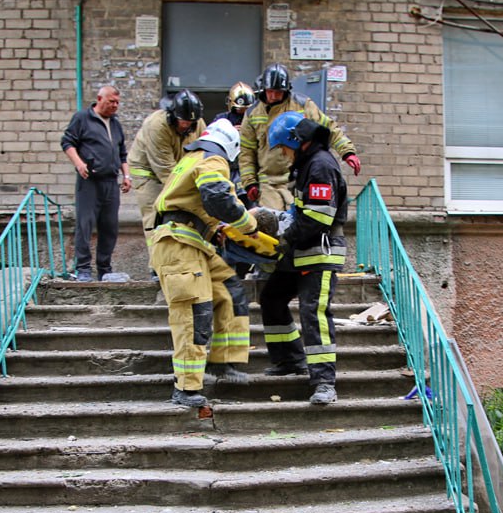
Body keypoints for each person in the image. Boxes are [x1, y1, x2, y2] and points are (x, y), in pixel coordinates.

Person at [149, 118, 259, 408]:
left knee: (230, 290)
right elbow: (217, 196)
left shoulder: (192, 157)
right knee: (193, 314)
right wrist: (248, 224)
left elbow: (193, 203)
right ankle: (185, 388)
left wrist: (217, 229)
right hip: (179, 244)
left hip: (190, 240)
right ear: (231, 147)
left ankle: (225, 362)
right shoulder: (214, 159)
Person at [259, 111, 348, 406]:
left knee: (313, 312)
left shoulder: (320, 166)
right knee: (271, 297)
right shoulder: (307, 164)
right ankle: (289, 360)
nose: (283, 155)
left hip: (319, 252)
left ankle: (324, 382)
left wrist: (284, 236)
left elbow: (319, 217)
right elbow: (302, 212)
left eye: (283, 148)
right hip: (302, 248)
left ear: (296, 141)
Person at [239, 63, 360, 211]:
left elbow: (328, 128)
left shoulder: (302, 105)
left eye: (278, 92)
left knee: (298, 223)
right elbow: (247, 151)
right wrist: (250, 182)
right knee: (274, 225)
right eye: (270, 91)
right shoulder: (253, 113)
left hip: (298, 177)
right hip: (269, 182)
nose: (274, 96)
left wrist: (347, 152)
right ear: (264, 88)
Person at [61, 85, 132, 282]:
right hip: (89, 180)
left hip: (111, 181)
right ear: (100, 99)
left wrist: (127, 176)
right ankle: (83, 268)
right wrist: (79, 164)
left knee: (110, 227)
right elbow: (67, 142)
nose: (115, 106)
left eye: (118, 102)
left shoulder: (116, 124)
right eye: (112, 102)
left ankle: (104, 270)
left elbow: (122, 153)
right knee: (85, 224)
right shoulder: (82, 118)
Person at [129, 89, 206, 242]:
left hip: (177, 173)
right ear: (172, 115)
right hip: (149, 174)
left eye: (191, 122)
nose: (187, 125)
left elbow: (203, 153)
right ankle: (157, 263)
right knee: (156, 218)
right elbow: (166, 169)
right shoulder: (156, 126)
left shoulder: (197, 123)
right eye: (183, 121)